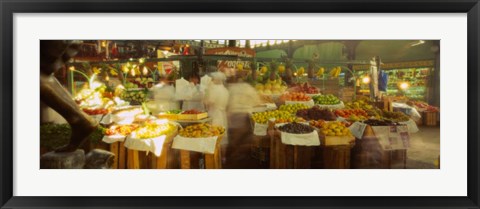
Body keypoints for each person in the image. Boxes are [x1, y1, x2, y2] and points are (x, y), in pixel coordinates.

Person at [225, 76, 262, 168]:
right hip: (245, 117)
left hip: (234, 116)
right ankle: (241, 159)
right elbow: (257, 102)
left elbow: (227, 104)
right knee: (244, 139)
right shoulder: (249, 88)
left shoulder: (231, 88)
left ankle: (234, 160)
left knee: (234, 140)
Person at [203, 72, 229, 152]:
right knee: (223, 136)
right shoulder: (225, 90)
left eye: (213, 79)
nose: (212, 80)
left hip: (214, 115)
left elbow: (208, 102)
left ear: (216, 80)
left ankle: (213, 157)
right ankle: (223, 157)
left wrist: (205, 96)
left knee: (214, 136)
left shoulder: (213, 89)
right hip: (223, 115)